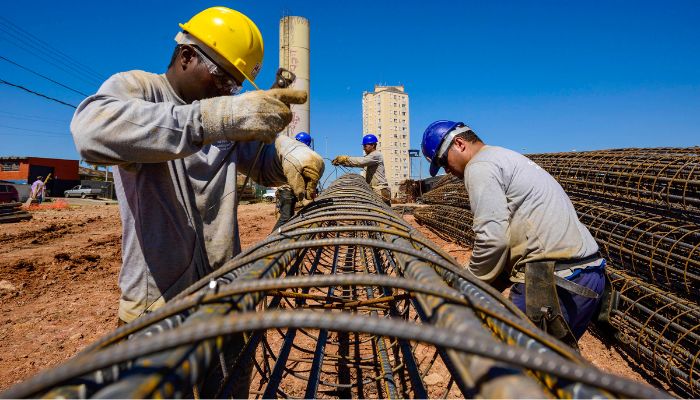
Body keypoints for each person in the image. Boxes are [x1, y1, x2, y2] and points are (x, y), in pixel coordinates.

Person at [71, 7, 324, 324]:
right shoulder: (140, 89)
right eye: (222, 78)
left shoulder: (223, 123)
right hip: (156, 305)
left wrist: (289, 154)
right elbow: (90, 132)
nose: (226, 92)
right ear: (187, 56)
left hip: (220, 291)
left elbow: (261, 162)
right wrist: (215, 118)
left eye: (234, 87)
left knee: (225, 373)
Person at [420, 120, 605, 347]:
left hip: (552, 281)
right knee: (551, 365)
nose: (447, 171)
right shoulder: (505, 156)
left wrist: (466, 285)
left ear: (459, 143)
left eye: (443, 162)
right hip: (589, 273)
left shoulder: (479, 166)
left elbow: (493, 240)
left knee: (514, 371)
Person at [332, 134, 391, 205]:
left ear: (372, 145)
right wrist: (343, 163)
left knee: (382, 213)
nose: (363, 148)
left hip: (380, 190)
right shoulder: (370, 158)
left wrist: (346, 159)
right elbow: (358, 163)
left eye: (365, 146)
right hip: (375, 189)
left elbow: (361, 161)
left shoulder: (376, 155)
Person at [271, 132, 313, 231]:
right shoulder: (297, 155)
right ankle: (271, 240)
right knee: (286, 217)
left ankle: (281, 237)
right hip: (287, 191)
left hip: (286, 190)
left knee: (287, 216)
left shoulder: (288, 152)